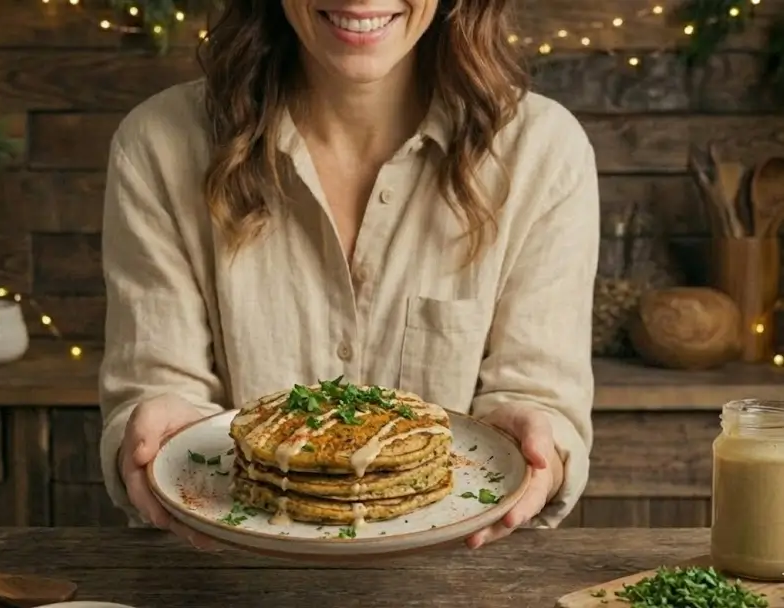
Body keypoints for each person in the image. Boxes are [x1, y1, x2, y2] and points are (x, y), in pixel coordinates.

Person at [99, 0, 597, 551]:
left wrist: (536, 443)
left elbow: (540, 397)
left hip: (460, 584)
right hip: (225, 584)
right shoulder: (159, 144)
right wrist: (156, 435)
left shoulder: (542, 151)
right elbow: (160, 391)